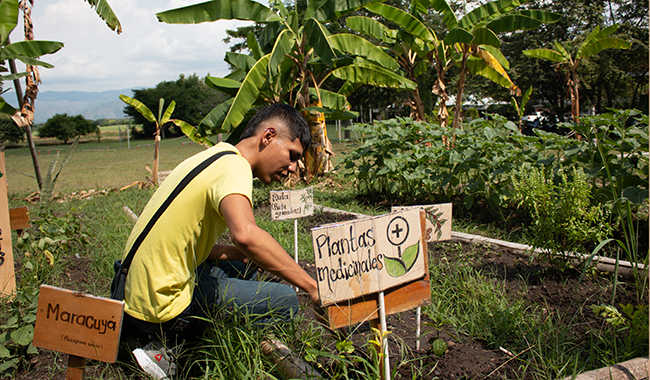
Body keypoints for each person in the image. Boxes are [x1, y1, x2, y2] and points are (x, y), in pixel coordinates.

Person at [121, 104, 320, 378]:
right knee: (287, 300)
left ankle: (153, 337)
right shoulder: (235, 167)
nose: (294, 167)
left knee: (243, 267)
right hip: (161, 307)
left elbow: (191, 244)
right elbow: (246, 235)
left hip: (134, 291)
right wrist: (312, 287)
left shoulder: (216, 156)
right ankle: (172, 348)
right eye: (292, 155)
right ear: (268, 136)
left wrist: (236, 255)